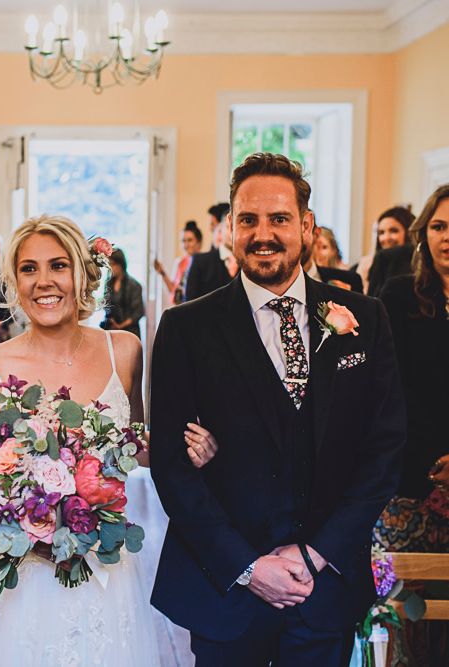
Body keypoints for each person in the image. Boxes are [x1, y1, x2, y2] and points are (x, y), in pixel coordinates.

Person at [150, 152, 405, 666]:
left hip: (325, 587)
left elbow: (384, 450)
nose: (262, 233)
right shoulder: (186, 328)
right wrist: (248, 566)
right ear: (229, 230)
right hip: (225, 589)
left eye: (279, 219)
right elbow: (173, 468)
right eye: (248, 220)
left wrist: (316, 554)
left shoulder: (365, 318)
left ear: (306, 227)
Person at [0, 214, 213, 666]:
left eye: (58, 266)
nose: (44, 281)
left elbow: (138, 448)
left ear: (82, 273)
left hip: (106, 566)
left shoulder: (123, 350)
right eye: (29, 269)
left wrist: (191, 448)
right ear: (13, 280)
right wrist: (27, 516)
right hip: (20, 573)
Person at [374, 185, 449, 667]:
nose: (448, 237)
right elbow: (387, 389)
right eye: (440, 226)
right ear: (424, 234)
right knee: (404, 617)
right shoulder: (400, 294)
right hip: (409, 477)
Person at [354, 206, 414, 294]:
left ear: (409, 232)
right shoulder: (367, 264)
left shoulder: (419, 267)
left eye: (394, 231)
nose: (385, 238)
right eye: (381, 233)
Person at [154, 220, 203, 304]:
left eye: (190, 240)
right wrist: (162, 273)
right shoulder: (179, 262)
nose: (186, 245)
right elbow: (173, 290)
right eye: (183, 241)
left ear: (198, 242)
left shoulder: (204, 262)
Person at [302, 226, 363, 293]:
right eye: (315, 246)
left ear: (333, 250)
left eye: (324, 247)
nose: (318, 252)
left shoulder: (347, 277)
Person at [101, 248, 145, 339]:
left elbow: (138, 312)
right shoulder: (108, 283)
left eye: (113, 264)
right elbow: (106, 305)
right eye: (108, 265)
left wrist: (120, 326)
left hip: (130, 332)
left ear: (121, 264)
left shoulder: (134, 285)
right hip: (112, 330)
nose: (110, 268)